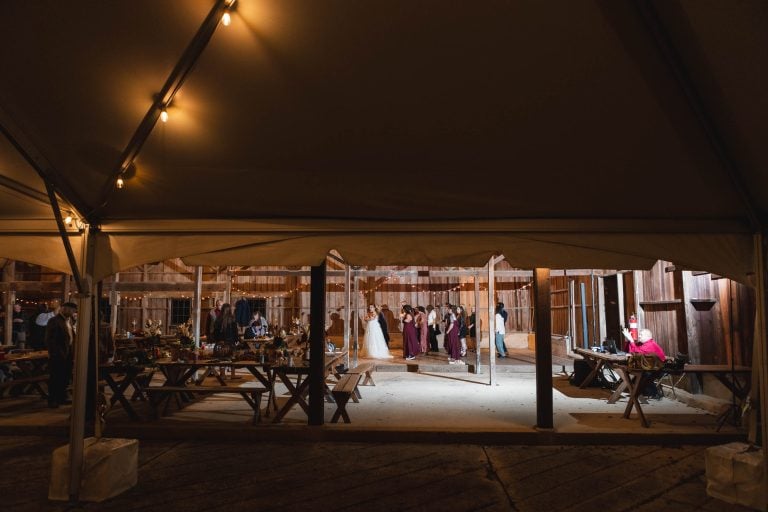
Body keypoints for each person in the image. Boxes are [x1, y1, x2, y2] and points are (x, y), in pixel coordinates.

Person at [45, 301, 77, 408]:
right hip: (58, 354)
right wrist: (55, 353)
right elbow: (50, 340)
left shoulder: (70, 321)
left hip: (68, 354)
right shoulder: (54, 321)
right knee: (55, 377)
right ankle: (53, 400)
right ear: (64, 309)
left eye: (73, 310)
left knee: (65, 377)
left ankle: (61, 397)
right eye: (71, 309)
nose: (73, 312)